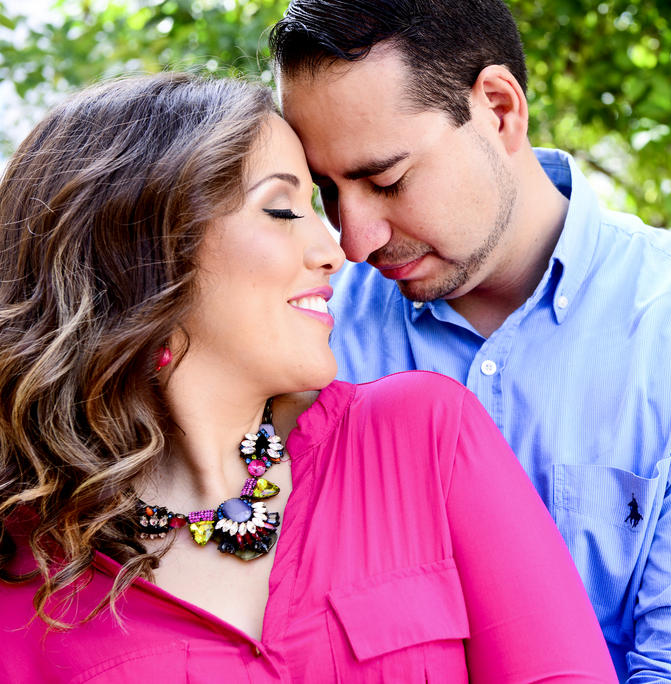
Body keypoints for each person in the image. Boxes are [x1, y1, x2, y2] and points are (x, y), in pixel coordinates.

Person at [0, 73, 616, 683]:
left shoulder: (422, 435)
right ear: (139, 256)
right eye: (281, 209)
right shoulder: (22, 572)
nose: (338, 251)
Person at [269, 1, 671, 681]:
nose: (356, 241)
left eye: (386, 181)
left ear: (498, 109)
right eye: (328, 193)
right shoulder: (313, 330)